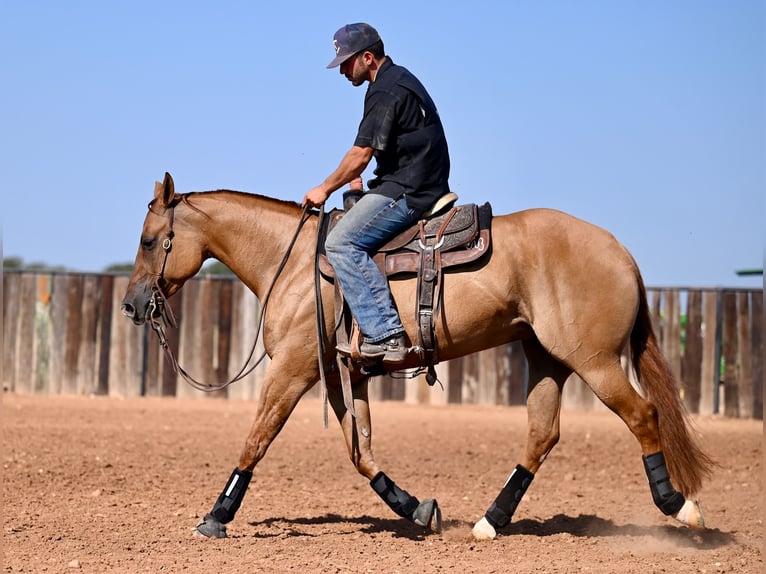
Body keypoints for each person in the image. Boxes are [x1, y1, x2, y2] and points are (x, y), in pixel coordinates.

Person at [302, 22, 451, 366]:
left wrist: (324, 188)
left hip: (412, 189)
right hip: (409, 180)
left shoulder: (386, 90)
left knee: (340, 243)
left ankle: (386, 334)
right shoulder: (395, 79)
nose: (341, 70)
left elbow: (360, 155)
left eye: (346, 62)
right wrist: (357, 183)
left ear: (368, 57)